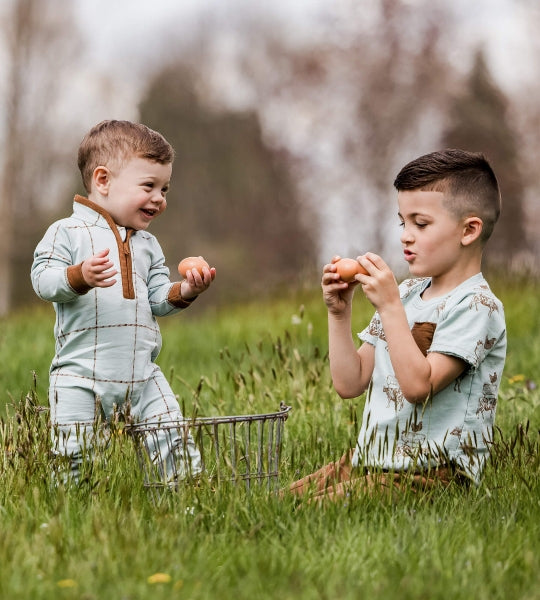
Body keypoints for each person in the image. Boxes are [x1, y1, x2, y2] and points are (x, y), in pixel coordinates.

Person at [289, 149, 507, 501]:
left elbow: (419, 386)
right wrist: (339, 313)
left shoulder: (477, 306)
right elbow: (350, 382)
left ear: (468, 230)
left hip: (434, 475)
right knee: (280, 506)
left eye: (420, 224)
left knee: (314, 511)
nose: (405, 235)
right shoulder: (406, 293)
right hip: (372, 461)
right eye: (402, 222)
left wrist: (390, 307)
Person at [31, 120, 216, 483]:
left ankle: (190, 508)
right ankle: (71, 521)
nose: (160, 198)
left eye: (164, 188)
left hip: (142, 375)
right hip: (80, 378)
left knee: (173, 442)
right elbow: (42, 280)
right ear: (103, 181)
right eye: (148, 186)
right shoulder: (66, 232)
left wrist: (188, 290)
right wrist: (78, 276)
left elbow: (158, 298)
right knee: (73, 459)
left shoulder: (147, 245)